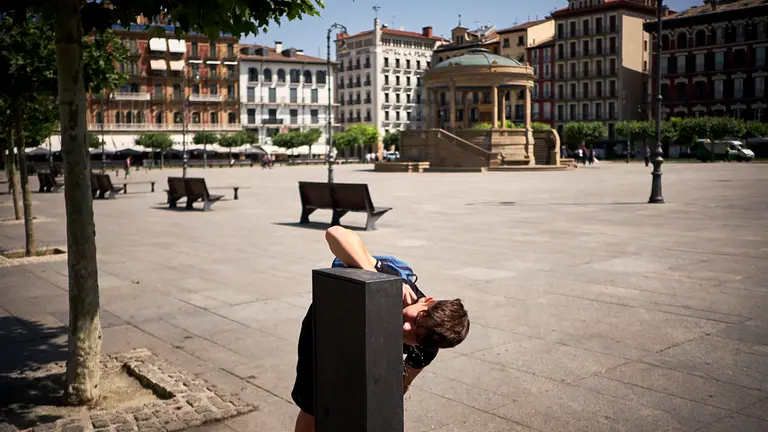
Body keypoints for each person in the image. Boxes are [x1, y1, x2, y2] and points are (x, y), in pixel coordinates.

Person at [292, 227, 470, 432]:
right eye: (417, 319)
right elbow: (335, 233)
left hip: (359, 343)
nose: (406, 328)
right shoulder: (394, 283)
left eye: (416, 337)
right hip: (325, 327)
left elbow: (400, 384)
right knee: (311, 406)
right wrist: (378, 280)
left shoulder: (427, 347)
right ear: (426, 301)